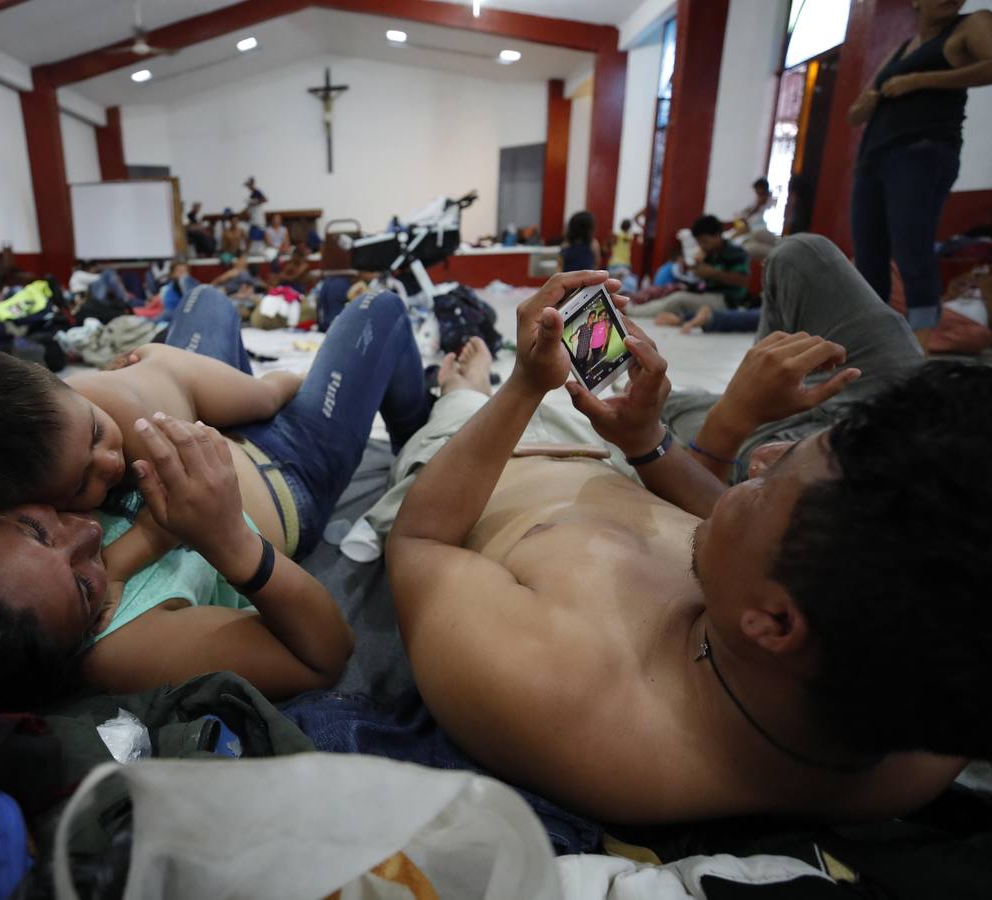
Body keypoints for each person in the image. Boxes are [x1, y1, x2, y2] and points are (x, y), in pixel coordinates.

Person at [386, 241, 986, 824]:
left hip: (468, 472)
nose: (761, 458)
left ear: (773, 624)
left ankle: (459, 387)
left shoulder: (568, 695)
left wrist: (518, 387)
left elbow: (419, 542)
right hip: (603, 453)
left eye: (764, 492)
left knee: (458, 383)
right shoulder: (912, 726)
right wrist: (648, 441)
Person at [0, 286, 431, 708]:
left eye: (37, 528)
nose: (89, 533)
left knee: (207, 299)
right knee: (377, 309)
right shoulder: (119, 649)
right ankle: (419, 443)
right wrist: (234, 545)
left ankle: (255, 384)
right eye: (82, 585)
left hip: (201, 416)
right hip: (282, 466)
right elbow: (325, 655)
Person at [848, 3, 992, 350]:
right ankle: (875, 346)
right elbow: (854, 114)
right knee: (868, 259)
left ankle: (919, 351)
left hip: (922, 153)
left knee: (914, 254)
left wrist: (919, 81)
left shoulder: (972, 23)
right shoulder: (901, 49)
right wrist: (870, 101)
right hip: (873, 160)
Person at [633, 215, 750, 321]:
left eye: (705, 241)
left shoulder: (736, 252)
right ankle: (633, 307)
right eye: (699, 243)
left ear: (717, 235)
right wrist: (691, 267)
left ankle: (631, 312)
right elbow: (699, 279)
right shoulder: (710, 253)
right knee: (670, 292)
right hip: (707, 294)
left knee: (678, 299)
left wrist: (713, 273)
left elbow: (743, 280)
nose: (702, 246)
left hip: (726, 301)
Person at [727, 177, 779, 259]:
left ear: (763, 189)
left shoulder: (772, 202)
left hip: (761, 231)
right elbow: (745, 214)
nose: (757, 193)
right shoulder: (755, 202)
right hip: (752, 231)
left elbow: (755, 223)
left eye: (758, 191)